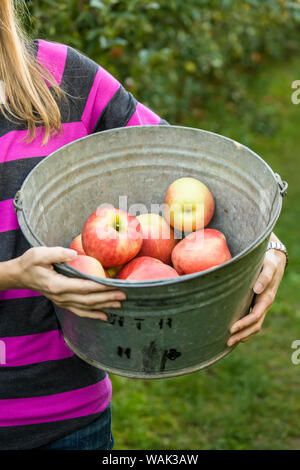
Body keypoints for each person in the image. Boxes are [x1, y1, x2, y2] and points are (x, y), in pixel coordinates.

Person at [0, 0, 287, 450]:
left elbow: (188, 169)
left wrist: (270, 249)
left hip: (70, 415)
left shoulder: (63, 78)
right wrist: (11, 275)